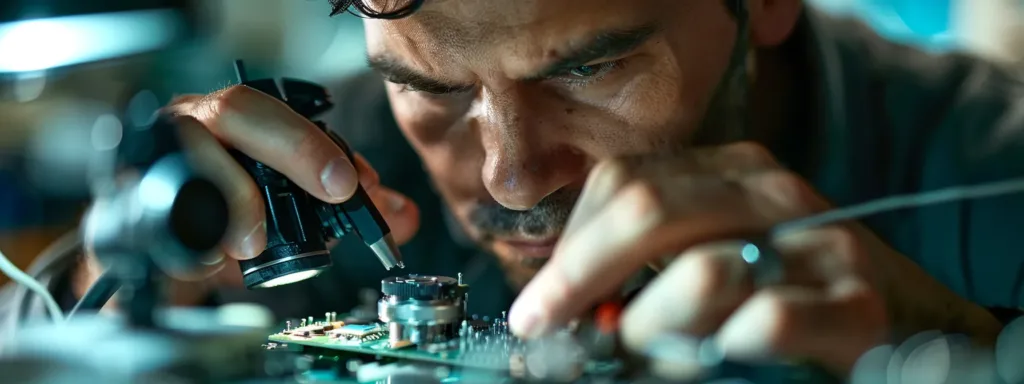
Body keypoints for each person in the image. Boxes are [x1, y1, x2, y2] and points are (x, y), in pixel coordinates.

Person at [3, 0, 1024, 379]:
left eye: (587, 71)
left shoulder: (993, 170)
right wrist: (129, 276)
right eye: (429, 86)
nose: (507, 174)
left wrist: (962, 353)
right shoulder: (314, 166)